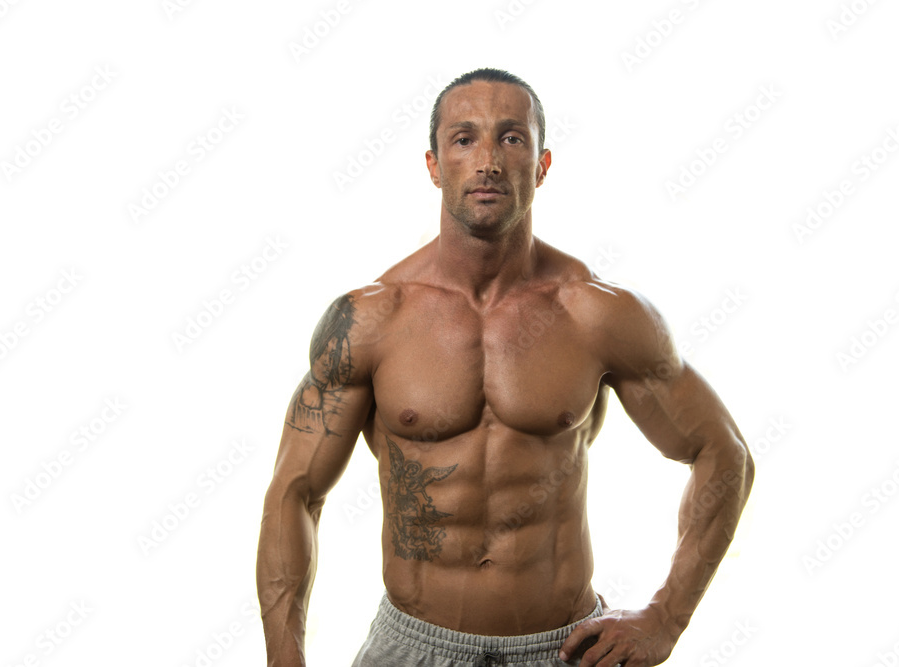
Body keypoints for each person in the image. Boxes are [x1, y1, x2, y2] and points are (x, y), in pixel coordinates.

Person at [256, 67, 754, 667]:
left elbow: (724, 452)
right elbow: (295, 493)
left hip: (565, 647)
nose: (488, 159)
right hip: (414, 646)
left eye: (512, 138)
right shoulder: (370, 320)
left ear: (542, 165)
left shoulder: (595, 314)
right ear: (434, 165)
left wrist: (665, 619)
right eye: (464, 139)